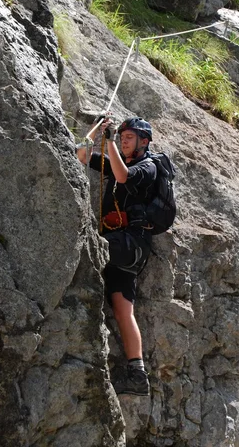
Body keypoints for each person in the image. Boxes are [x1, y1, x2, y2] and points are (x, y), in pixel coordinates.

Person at [76, 115, 157, 396]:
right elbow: (81, 155)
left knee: (86, 246)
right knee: (122, 309)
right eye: (122, 137)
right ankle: (138, 374)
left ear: (144, 142)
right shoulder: (115, 162)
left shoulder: (148, 167)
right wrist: (97, 132)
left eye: (129, 137)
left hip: (130, 242)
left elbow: (123, 176)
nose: (124, 140)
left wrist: (109, 141)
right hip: (123, 248)